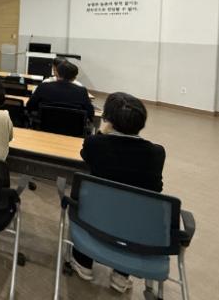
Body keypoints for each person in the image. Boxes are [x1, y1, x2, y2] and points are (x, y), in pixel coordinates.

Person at [69, 92, 166, 293]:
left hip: (94, 217)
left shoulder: (96, 144)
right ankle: (121, 276)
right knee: (131, 208)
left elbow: (85, 154)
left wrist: (101, 132)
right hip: (134, 227)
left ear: (108, 120)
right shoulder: (156, 153)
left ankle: (83, 263)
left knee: (88, 202)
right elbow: (156, 189)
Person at [26, 60, 95, 120]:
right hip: (72, 129)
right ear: (74, 78)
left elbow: (29, 106)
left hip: (44, 127)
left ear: (57, 73)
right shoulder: (82, 91)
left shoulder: (43, 86)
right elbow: (91, 113)